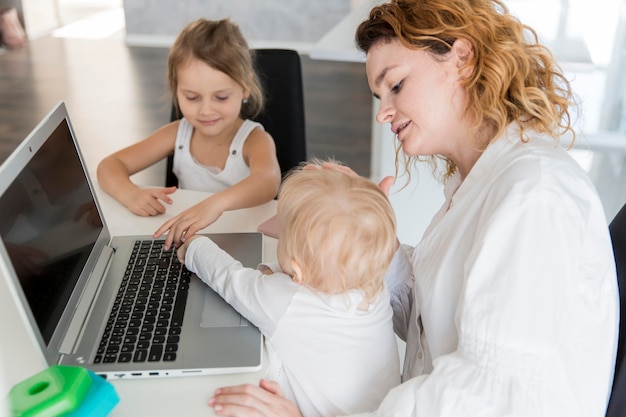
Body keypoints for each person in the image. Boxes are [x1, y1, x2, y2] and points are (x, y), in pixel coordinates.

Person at [205, 0, 620, 416]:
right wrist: (356, 235)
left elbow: (488, 398)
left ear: (462, 58)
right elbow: (422, 320)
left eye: (397, 85)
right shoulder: (474, 183)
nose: (384, 112)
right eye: (379, 94)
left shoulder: (535, 197)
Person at [176, 161, 401, 417]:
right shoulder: (376, 285)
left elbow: (230, 279)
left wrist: (194, 247)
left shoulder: (287, 300)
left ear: (298, 271)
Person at [97, 18, 281, 250]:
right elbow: (109, 165)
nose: (206, 110)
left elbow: (268, 181)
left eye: (221, 97)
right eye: (192, 97)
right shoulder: (178, 133)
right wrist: (131, 194)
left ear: (245, 87)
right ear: (176, 90)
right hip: (190, 244)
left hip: (241, 243)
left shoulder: (254, 140)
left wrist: (215, 204)